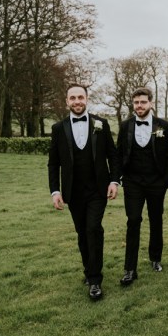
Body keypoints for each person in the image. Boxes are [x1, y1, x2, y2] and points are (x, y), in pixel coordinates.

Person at [48, 84, 120, 301]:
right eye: (73, 98)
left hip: (98, 189)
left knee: (93, 229)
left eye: (81, 97)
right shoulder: (58, 128)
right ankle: (88, 271)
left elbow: (113, 155)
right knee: (82, 233)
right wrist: (55, 191)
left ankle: (95, 281)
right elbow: (53, 163)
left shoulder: (101, 124)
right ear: (67, 101)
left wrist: (114, 181)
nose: (77, 101)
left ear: (87, 99)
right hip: (73, 192)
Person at [117, 87, 168, 286]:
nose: (139, 106)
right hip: (133, 182)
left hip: (156, 183)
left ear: (150, 103)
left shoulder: (164, 126)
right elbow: (119, 154)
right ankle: (129, 268)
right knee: (133, 220)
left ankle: (155, 258)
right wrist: (118, 178)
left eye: (143, 102)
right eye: (136, 103)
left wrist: (165, 180)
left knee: (155, 220)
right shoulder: (125, 126)